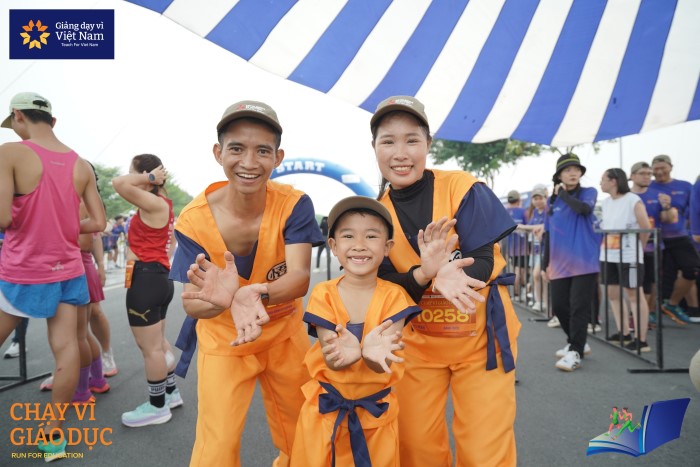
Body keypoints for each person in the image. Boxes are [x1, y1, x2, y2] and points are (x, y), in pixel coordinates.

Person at [169, 100, 324, 466]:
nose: (249, 162)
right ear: (218, 153)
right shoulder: (193, 220)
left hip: (284, 334)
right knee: (217, 445)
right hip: (224, 339)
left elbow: (299, 277)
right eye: (237, 148)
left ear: (278, 157)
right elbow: (191, 303)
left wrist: (252, 293)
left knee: (303, 430)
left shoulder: (294, 204)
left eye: (263, 151)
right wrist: (221, 301)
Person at [369, 95, 520, 466]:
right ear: (374, 147)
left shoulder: (463, 187)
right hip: (418, 345)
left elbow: (483, 259)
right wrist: (427, 275)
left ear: (428, 144)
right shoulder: (375, 214)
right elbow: (385, 283)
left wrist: (455, 274)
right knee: (416, 447)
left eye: (411, 140)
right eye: (388, 141)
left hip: (481, 339)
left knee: (485, 451)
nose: (400, 153)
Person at [0, 91, 106, 459]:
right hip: (69, 270)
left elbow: (3, 218)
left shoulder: (10, 153)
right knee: (66, 348)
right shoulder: (81, 164)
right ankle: (53, 436)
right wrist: (65, 225)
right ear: (53, 121)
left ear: (18, 116)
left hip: (24, 269)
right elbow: (99, 222)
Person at [290, 196, 421, 467]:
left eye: (371, 236)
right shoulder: (323, 294)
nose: (359, 245)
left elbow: (382, 363)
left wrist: (372, 357)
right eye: (348, 236)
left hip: (377, 414)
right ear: (333, 246)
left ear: (387, 247)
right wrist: (342, 356)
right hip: (324, 412)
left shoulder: (396, 297)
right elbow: (332, 359)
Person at [112, 154, 182, 427]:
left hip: (146, 279)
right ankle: (170, 393)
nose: (131, 176)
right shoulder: (162, 203)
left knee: (151, 349)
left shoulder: (154, 202)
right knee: (159, 344)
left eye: (135, 172)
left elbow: (119, 183)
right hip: (158, 277)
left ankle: (157, 407)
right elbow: (171, 243)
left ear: (147, 175)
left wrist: (149, 177)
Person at [545, 153, 599, 371]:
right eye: (567, 170)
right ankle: (577, 342)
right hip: (559, 263)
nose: (573, 173)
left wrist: (562, 194)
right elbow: (548, 233)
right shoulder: (552, 201)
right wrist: (546, 263)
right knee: (559, 306)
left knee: (579, 307)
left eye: (576, 169)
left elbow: (584, 209)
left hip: (585, 260)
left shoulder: (589, 192)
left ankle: (575, 351)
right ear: (559, 176)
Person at [598, 168, 652, 352]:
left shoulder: (633, 200)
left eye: (603, 179)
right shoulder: (606, 203)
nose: (601, 183)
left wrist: (637, 250)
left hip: (629, 256)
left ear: (613, 181)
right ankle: (624, 332)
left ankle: (641, 339)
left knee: (634, 295)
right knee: (612, 293)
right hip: (608, 254)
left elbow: (645, 228)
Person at [649, 155, 700, 324]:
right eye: (656, 169)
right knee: (657, 277)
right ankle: (651, 312)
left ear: (671, 167)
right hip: (656, 238)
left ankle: (672, 304)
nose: (659, 171)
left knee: (692, 269)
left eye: (663, 167)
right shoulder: (649, 187)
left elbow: (694, 210)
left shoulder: (685, 186)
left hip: (680, 236)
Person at [629, 161, 673, 326]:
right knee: (633, 282)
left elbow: (669, 220)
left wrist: (667, 207)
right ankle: (636, 315)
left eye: (649, 174)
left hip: (653, 247)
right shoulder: (625, 195)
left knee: (652, 281)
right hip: (630, 248)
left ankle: (645, 314)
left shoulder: (657, 195)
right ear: (632, 176)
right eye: (642, 173)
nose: (647, 177)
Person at [518, 186, 548, 311]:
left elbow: (543, 226)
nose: (538, 201)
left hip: (546, 249)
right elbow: (530, 226)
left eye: (540, 198)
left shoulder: (548, 211)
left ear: (545, 198)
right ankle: (540, 302)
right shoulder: (535, 212)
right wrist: (521, 227)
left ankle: (542, 302)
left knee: (538, 275)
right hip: (535, 249)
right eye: (535, 199)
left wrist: (523, 227)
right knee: (537, 276)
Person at [505, 190, 528, 302]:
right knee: (520, 271)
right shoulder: (523, 211)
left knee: (516, 270)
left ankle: (517, 293)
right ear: (519, 200)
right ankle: (519, 293)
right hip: (522, 247)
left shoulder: (504, 212)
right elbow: (529, 226)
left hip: (510, 247)